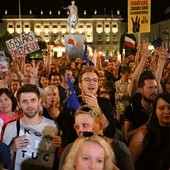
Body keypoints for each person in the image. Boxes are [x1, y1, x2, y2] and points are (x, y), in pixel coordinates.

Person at [3, 84, 62, 170]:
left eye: (33, 100)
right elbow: (3, 163)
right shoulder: (10, 128)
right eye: (24, 101)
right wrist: (12, 148)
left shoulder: (53, 126)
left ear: (39, 101)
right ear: (19, 104)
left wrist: (59, 147)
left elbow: (56, 160)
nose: (29, 105)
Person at [59, 105, 135, 170]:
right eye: (77, 127)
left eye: (85, 125)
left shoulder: (119, 147)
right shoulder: (70, 148)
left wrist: (107, 162)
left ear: (100, 125)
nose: (80, 130)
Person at [129, 93, 170, 170]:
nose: (167, 111)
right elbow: (129, 164)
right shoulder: (144, 133)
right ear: (155, 111)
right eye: (161, 108)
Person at [124, 71, 158, 143]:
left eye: (155, 87)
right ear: (140, 90)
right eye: (150, 88)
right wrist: (147, 125)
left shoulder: (158, 108)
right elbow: (127, 136)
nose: (154, 91)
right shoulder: (131, 109)